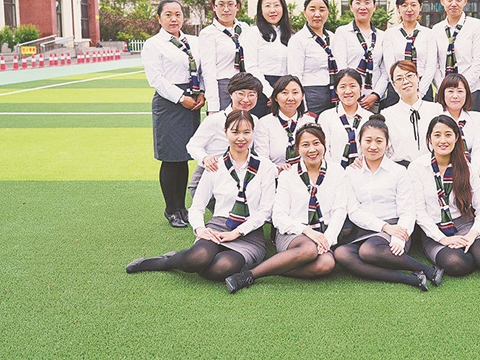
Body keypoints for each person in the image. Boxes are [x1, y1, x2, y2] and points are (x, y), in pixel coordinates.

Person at [126, 111, 276, 281]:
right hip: (218, 226)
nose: (241, 138)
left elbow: (265, 211)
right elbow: (197, 206)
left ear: (253, 133)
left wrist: (237, 233)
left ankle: (204, 259)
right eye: (235, 132)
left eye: (246, 132)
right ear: (225, 132)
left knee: (221, 268)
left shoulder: (266, 167)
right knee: (198, 258)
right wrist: (200, 229)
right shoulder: (216, 165)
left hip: (249, 233)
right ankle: (164, 262)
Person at [225, 123, 347, 293]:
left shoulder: (337, 171)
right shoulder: (288, 175)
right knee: (308, 249)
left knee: (326, 264)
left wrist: (327, 238)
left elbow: (339, 210)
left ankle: (273, 265)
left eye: (316, 143)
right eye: (305, 145)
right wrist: (307, 231)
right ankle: (248, 275)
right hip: (292, 233)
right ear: (297, 149)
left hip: (323, 232)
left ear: (324, 144)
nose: (312, 149)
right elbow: (279, 217)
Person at [334, 115, 444, 291]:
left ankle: (428, 270)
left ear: (387, 144)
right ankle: (412, 279)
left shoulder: (398, 172)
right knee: (342, 254)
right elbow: (353, 211)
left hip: (396, 228)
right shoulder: (350, 173)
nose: (373, 146)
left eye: (379, 141)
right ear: (360, 142)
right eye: (368, 140)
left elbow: (408, 210)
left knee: (368, 251)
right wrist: (384, 227)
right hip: (366, 229)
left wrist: (398, 237)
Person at [409, 116, 480, 276]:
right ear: (429, 138)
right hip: (436, 230)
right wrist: (442, 239)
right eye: (437, 135)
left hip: (465, 225)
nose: (443, 140)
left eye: (448, 135)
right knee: (457, 264)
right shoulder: (417, 167)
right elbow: (419, 212)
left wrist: (472, 235)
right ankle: (476, 252)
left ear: (456, 138)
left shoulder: (466, 167)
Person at [141, 0, 205, 228]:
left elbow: (202, 70)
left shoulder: (193, 41)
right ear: (159, 18)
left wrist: (202, 92)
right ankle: (171, 209)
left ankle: (182, 207)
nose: (173, 19)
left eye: (177, 14)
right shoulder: (153, 45)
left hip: (192, 101)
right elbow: (156, 79)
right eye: (168, 14)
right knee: (170, 158)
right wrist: (181, 98)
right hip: (170, 103)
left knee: (183, 157)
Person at [186, 73, 262, 199]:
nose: (246, 99)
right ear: (231, 94)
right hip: (213, 170)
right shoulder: (215, 120)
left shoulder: (255, 121)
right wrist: (205, 158)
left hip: (241, 172)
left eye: (252, 95)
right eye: (241, 94)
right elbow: (193, 145)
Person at [431, 0, 480, 115]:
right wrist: (445, 88)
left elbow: (478, 62)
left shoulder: (475, 26)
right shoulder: (436, 29)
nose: (454, 3)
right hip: (443, 94)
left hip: (471, 92)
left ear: (465, 1)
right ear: (442, 1)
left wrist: (461, 88)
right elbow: (435, 64)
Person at [333, 0, 387, 113]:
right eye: (358, 3)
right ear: (351, 7)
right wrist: (354, 94)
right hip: (350, 98)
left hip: (376, 100)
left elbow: (385, 71)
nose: (362, 7)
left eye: (367, 2)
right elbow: (342, 68)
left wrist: (375, 95)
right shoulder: (342, 33)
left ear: (374, 7)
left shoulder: (382, 36)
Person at [240, 0, 293, 117]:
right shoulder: (253, 33)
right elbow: (251, 67)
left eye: (276, 5)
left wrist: (284, 93)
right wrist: (270, 93)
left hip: (285, 91)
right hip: (260, 90)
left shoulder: (291, 35)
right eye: (267, 6)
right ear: (261, 10)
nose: (272, 10)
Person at [381, 60, 442, 167]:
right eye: (399, 79)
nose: (405, 82)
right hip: (401, 171)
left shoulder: (435, 109)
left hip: (432, 169)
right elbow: (385, 151)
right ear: (394, 84)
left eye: (409, 76)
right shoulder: (387, 115)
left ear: (417, 77)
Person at [199, 0, 249, 114]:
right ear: (214, 7)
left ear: (237, 7)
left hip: (247, 89)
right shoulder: (208, 33)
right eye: (221, 5)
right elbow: (208, 71)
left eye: (230, 4)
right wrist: (213, 107)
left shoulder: (245, 29)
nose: (226, 9)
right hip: (223, 89)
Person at [382, 0, 437, 106]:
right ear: (398, 8)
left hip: (423, 88)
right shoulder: (390, 34)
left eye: (413, 5)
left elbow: (431, 66)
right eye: (404, 5)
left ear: (420, 7)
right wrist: (401, 92)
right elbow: (389, 66)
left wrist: (419, 93)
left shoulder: (429, 34)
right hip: (396, 89)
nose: (409, 9)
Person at [288, 0, 338, 115]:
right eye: (312, 9)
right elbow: (295, 76)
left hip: (334, 94)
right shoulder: (298, 40)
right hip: (311, 96)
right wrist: (303, 107)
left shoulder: (333, 37)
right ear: (305, 13)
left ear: (328, 12)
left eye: (322, 9)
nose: (317, 14)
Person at [253, 75, 316, 173]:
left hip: (306, 175)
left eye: (295, 93)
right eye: (284, 93)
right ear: (275, 97)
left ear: (302, 96)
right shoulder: (265, 123)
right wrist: (277, 168)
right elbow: (262, 157)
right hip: (274, 176)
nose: (290, 98)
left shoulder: (309, 122)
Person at [437, 73, 480, 173]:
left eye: (460, 91)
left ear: (467, 94)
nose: (455, 96)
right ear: (442, 94)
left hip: (471, 173)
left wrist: (471, 174)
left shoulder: (476, 118)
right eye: (450, 91)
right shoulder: (436, 119)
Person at [318, 69, 370, 169]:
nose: (348, 91)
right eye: (342, 87)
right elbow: (323, 149)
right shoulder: (326, 117)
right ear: (336, 91)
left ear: (361, 88)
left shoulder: (369, 118)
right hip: (334, 172)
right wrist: (336, 171)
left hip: (363, 172)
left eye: (352, 86)